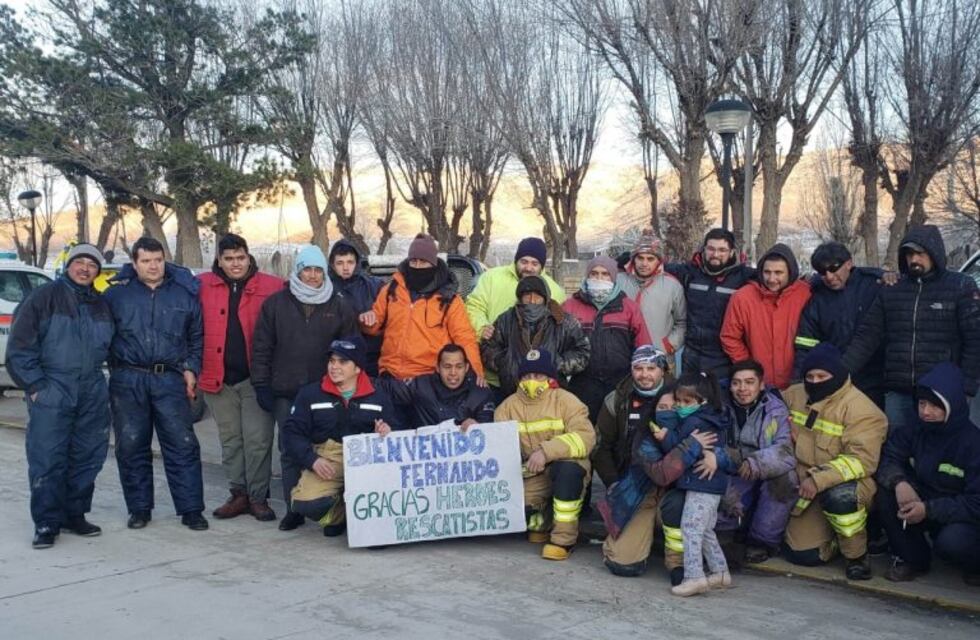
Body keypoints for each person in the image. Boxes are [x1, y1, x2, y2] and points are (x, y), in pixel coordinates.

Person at [7, 244, 115, 548]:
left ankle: (74, 514)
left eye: (91, 264)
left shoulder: (101, 304)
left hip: (91, 387)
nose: (84, 268)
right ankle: (46, 522)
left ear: (97, 270)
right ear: (68, 265)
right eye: (79, 262)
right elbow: (19, 348)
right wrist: (36, 386)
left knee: (87, 455)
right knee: (48, 457)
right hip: (53, 387)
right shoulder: (43, 298)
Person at [251, 244, 358, 531]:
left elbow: (350, 348)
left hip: (328, 390)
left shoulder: (339, 304)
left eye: (318, 270)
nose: (312, 275)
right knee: (290, 449)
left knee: (330, 447)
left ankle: (335, 510)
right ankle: (293, 508)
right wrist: (262, 383)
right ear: (298, 271)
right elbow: (262, 347)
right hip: (287, 390)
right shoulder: (276, 304)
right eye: (307, 269)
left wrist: (348, 383)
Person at [103, 237, 207, 531]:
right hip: (128, 379)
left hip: (169, 379)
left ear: (165, 260)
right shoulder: (116, 296)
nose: (153, 266)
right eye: (146, 261)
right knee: (131, 445)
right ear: (134, 263)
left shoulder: (184, 294)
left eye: (158, 260)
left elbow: (197, 338)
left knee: (182, 445)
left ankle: (191, 509)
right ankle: (139, 509)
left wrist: (191, 369)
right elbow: (102, 336)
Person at [844, 225, 980, 433]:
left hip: (942, 394)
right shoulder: (892, 289)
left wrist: (967, 387)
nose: (914, 259)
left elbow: (974, 340)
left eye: (920, 253)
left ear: (934, 253)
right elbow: (867, 336)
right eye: (908, 254)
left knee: (943, 456)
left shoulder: (961, 286)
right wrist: (839, 372)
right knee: (897, 452)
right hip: (899, 393)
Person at [782, 343, 888, 579]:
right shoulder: (794, 394)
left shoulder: (863, 410)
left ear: (837, 375)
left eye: (822, 376)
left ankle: (856, 556)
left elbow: (862, 461)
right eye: (810, 376)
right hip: (804, 485)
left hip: (848, 484)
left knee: (841, 499)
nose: (815, 381)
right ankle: (831, 539)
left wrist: (819, 480)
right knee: (802, 554)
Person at [197, 233, 283, 522]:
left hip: (256, 378)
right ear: (219, 260)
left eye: (240, 257)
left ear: (249, 257)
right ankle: (239, 494)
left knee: (258, 440)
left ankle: (259, 497)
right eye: (229, 258)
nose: (235, 264)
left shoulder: (272, 287)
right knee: (231, 440)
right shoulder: (202, 285)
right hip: (218, 378)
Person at [599, 383, 719, 580]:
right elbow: (661, 474)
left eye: (674, 407)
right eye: (662, 408)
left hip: (675, 502)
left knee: (677, 503)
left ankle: (676, 561)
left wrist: (715, 457)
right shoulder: (646, 437)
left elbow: (723, 461)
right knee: (623, 565)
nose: (668, 412)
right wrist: (690, 447)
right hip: (641, 498)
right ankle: (626, 542)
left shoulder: (699, 432)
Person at [282, 337, 398, 536]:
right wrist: (312, 460)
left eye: (343, 362)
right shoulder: (310, 394)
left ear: (358, 368)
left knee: (377, 535)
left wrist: (388, 430)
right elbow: (292, 433)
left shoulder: (379, 395)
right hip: (329, 458)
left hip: (366, 463)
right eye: (332, 361)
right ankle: (341, 515)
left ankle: (364, 521)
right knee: (304, 503)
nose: (334, 367)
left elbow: (397, 427)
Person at [876, 362, 980, 584]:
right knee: (884, 493)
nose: (926, 412)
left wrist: (929, 510)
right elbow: (889, 456)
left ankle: (975, 566)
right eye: (922, 403)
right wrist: (899, 482)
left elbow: (976, 503)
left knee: (953, 542)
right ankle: (914, 560)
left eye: (935, 405)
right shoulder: (915, 429)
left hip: (960, 514)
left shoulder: (973, 443)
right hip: (923, 500)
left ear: (952, 405)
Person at [493, 349, 595, 561]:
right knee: (512, 508)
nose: (532, 380)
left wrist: (546, 451)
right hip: (533, 473)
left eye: (538, 376)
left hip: (568, 467)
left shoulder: (567, 401)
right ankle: (543, 520)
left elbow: (586, 437)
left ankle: (563, 540)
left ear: (549, 378)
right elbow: (500, 450)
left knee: (567, 474)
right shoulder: (506, 408)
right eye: (527, 376)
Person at [652, 372, 733, 596]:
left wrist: (665, 437)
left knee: (691, 529)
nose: (679, 406)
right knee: (706, 530)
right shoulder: (713, 418)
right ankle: (720, 572)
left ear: (702, 401)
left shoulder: (694, 422)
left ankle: (694, 576)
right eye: (678, 401)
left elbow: (679, 448)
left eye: (686, 402)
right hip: (710, 486)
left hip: (700, 485)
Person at [361, 233, 483, 382]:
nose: (417, 266)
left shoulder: (449, 299)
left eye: (423, 262)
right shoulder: (391, 289)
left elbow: (465, 339)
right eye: (414, 261)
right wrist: (367, 320)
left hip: (430, 378)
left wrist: (476, 374)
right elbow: (373, 326)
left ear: (433, 264)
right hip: (390, 374)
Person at [717, 360, 797, 564]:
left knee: (785, 479)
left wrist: (755, 463)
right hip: (731, 466)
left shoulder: (775, 409)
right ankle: (725, 532)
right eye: (736, 383)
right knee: (720, 484)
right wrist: (730, 459)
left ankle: (762, 541)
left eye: (749, 382)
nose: (742, 389)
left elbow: (785, 450)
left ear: (761, 384)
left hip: (764, 465)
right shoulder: (719, 405)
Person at [794, 242, 885, 406]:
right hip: (833, 380)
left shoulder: (875, 285)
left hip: (875, 379)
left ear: (849, 263)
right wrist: (803, 378)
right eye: (822, 272)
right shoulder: (817, 298)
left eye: (833, 268)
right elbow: (806, 343)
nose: (829, 276)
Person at [563, 255, 651, 422]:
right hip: (583, 382)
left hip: (620, 381)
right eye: (594, 274)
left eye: (605, 274)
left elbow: (643, 346)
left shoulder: (628, 307)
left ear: (613, 277)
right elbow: (558, 344)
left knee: (617, 427)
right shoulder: (570, 306)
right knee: (583, 428)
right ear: (587, 276)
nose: (599, 278)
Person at [480, 274, 589, 398]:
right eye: (527, 295)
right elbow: (488, 347)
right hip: (513, 394)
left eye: (537, 296)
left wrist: (557, 363)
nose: (532, 300)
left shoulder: (564, 321)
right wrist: (506, 362)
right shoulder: (505, 319)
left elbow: (582, 351)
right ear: (520, 297)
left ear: (545, 298)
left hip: (553, 395)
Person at [666, 228, 755, 379]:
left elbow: (773, 279)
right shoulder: (690, 272)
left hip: (723, 357)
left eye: (722, 250)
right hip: (691, 354)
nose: (715, 254)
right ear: (704, 249)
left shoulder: (744, 277)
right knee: (689, 400)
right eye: (711, 249)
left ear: (732, 252)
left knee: (719, 400)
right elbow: (656, 267)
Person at [720, 243, 811, 389]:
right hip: (760, 384)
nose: (772, 278)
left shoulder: (806, 294)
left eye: (778, 273)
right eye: (767, 272)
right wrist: (749, 369)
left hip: (798, 382)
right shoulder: (743, 297)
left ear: (790, 272)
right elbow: (729, 337)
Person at [465, 237, 565, 364]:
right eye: (524, 261)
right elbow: (474, 306)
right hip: (495, 369)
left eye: (535, 264)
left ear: (542, 266)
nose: (528, 268)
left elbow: (561, 328)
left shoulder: (555, 290)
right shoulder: (491, 278)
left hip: (538, 377)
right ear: (516, 260)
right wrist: (481, 327)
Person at [592, 345, 669, 490]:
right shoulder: (615, 400)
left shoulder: (679, 396)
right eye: (638, 368)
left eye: (651, 368)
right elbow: (601, 447)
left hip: (668, 479)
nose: (644, 375)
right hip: (627, 478)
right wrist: (612, 482)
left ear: (663, 370)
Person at [380, 344, 496, 429]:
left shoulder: (480, 393)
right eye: (447, 367)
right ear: (437, 368)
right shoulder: (421, 386)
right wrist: (361, 377)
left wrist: (479, 427)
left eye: (459, 367)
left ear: (466, 368)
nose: (453, 372)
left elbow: (492, 436)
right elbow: (386, 388)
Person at [617, 228, 686, 361]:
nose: (644, 263)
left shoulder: (672, 285)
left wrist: (668, 346)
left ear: (658, 261)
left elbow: (682, 322)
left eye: (650, 259)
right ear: (633, 259)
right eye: (640, 258)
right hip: (622, 356)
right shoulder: (619, 281)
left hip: (659, 357)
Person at [328, 239, 384, 377]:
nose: (346, 268)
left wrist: (374, 315)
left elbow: (388, 314)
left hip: (370, 356)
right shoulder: (325, 288)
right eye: (340, 263)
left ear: (357, 263)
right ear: (333, 265)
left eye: (350, 262)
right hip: (337, 356)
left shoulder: (374, 286)